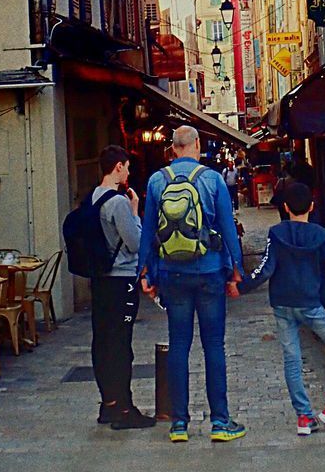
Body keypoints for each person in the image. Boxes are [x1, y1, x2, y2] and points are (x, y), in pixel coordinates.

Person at [138, 125, 247, 444]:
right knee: (214, 344)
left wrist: (146, 274)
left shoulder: (157, 180)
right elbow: (228, 229)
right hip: (210, 271)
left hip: (173, 273)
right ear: (197, 145)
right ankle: (219, 422)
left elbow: (148, 232)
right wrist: (236, 270)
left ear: (173, 149)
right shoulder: (212, 179)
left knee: (179, 344)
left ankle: (179, 424)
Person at [238, 182, 325, 435]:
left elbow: (265, 269)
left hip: (282, 303)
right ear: (312, 206)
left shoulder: (277, 233)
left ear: (285, 207)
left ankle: (304, 417)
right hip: (311, 303)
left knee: (292, 359)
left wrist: (242, 287)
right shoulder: (320, 236)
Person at [90, 146, 156, 430]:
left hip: (101, 279)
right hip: (121, 280)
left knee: (103, 342)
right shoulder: (117, 202)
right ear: (118, 167)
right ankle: (124, 409)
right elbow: (135, 243)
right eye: (127, 167)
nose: (128, 172)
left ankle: (109, 404)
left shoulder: (94, 196)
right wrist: (136, 212)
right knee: (121, 345)